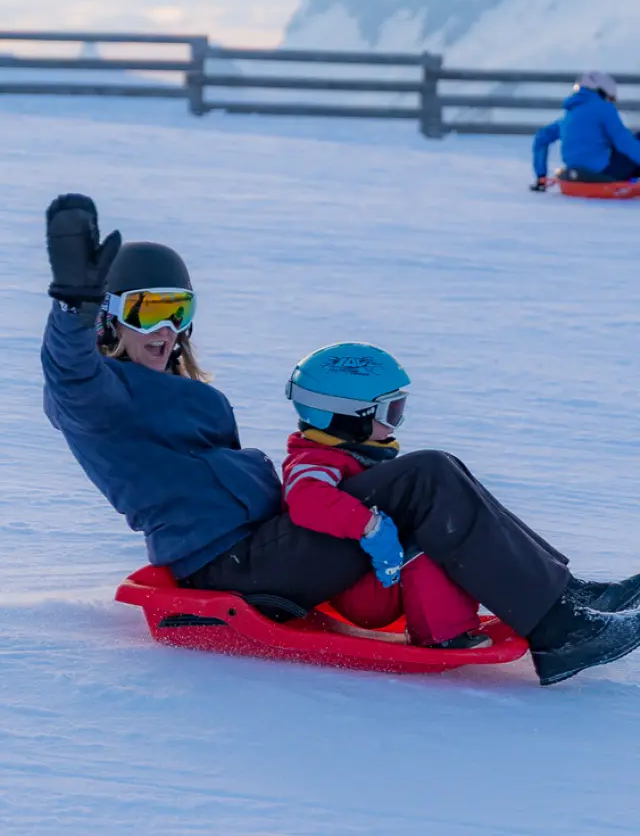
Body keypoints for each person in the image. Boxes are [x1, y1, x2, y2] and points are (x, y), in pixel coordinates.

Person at [42, 193, 640, 686]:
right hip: (229, 564)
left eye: (179, 311)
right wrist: (71, 307)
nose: (167, 330)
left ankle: (563, 593)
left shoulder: (170, 388)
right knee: (425, 475)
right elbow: (70, 374)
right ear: (109, 316)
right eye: (148, 312)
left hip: (266, 542)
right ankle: (560, 630)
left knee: (437, 469)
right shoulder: (101, 400)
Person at [282, 342, 490, 650]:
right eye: (390, 412)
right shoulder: (315, 460)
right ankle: (443, 634)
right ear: (347, 416)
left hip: (376, 578)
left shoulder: (359, 453)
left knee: (445, 523)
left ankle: (478, 605)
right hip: (363, 589)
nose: (398, 423)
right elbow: (306, 498)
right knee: (427, 539)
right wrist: (371, 527)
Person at [531, 71, 640, 190]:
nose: (609, 101)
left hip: (575, 173)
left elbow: (541, 138)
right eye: (609, 98)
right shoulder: (604, 108)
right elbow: (624, 142)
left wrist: (541, 176)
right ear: (602, 91)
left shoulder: (570, 114)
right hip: (603, 173)